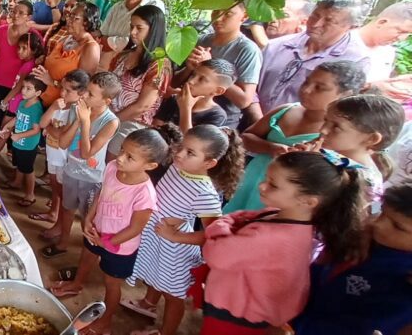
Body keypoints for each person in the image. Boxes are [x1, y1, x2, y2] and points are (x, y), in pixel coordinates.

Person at [199, 150, 366, 335]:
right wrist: (230, 225)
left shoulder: (273, 238)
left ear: (308, 201)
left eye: (273, 185)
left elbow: (215, 253)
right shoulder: (288, 220)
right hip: (244, 308)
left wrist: (220, 225)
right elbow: (244, 219)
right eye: (266, 179)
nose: (262, 186)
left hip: (236, 318)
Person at [124, 125, 245, 335]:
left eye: (190, 153)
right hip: (158, 238)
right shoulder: (178, 166)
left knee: (173, 296)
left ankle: (166, 332)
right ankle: (148, 303)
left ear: (209, 163)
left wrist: (176, 236)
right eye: (181, 146)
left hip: (175, 251)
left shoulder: (204, 193)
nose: (179, 153)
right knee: (155, 275)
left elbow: (214, 234)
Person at [50, 128, 168, 335]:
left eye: (130, 157)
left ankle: (105, 321)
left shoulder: (145, 193)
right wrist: (89, 217)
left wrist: (107, 242)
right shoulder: (113, 167)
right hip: (97, 230)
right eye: (122, 150)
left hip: (120, 246)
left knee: (111, 283)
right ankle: (76, 284)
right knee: (87, 255)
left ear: (150, 166)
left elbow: (136, 228)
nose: (120, 158)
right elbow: (102, 194)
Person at [224, 61, 366, 213]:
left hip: (287, 196)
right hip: (252, 180)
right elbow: (247, 137)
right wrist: (270, 148)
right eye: (307, 81)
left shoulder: (335, 134)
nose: (306, 89)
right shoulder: (286, 110)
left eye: (319, 88)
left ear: (346, 95)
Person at [292, 183, 412, 335]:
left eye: (398, 227)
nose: (378, 224)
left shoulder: (405, 283)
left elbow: (359, 328)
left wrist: (293, 327)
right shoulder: (364, 241)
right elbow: (315, 279)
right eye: (382, 212)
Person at [38, 72, 120, 257]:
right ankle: (63, 243)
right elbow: (63, 143)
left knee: (87, 218)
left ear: (106, 101)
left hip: (91, 178)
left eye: (91, 94)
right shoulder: (79, 109)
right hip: (70, 171)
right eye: (86, 91)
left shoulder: (111, 122)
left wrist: (84, 121)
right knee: (67, 209)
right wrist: (77, 120)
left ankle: (88, 253)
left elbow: (86, 153)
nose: (84, 96)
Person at [257, 0, 371, 113]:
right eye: (315, 16)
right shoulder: (277, 45)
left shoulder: (355, 60)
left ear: (351, 27)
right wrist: (256, 117)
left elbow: (341, 110)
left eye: (329, 21)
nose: (316, 24)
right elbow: (249, 85)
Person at [174, 3, 262, 129]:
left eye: (228, 14)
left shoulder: (247, 50)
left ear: (244, 17)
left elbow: (244, 101)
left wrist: (212, 68)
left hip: (219, 121)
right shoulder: (201, 40)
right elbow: (175, 83)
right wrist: (189, 68)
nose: (218, 18)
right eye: (215, 11)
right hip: (183, 109)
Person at [317, 94, 405, 213]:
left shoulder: (366, 180)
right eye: (326, 121)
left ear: (371, 139)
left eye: (336, 126)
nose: (323, 130)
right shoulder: (324, 152)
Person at [106, 5, 172, 158]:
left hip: (132, 123)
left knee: (112, 159)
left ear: (153, 30)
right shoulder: (123, 55)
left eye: (139, 28)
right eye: (131, 26)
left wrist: (112, 121)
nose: (132, 32)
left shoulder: (160, 64)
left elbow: (143, 106)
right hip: (110, 114)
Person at [30, 71, 92, 225]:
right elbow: (43, 123)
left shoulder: (78, 111)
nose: (62, 92)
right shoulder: (59, 104)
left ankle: (61, 222)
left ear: (82, 93)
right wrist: (52, 110)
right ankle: (54, 213)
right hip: (53, 154)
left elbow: (60, 134)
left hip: (65, 159)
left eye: (68, 90)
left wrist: (50, 128)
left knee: (62, 190)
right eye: (62, 88)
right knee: (54, 184)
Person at [0, 34, 45, 166]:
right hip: (17, 105)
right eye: (19, 47)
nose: (19, 51)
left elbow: (19, 86)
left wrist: (5, 101)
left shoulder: (29, 66)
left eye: (24, 48)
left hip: (16, 106)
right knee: (4, 131)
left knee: (3, 132)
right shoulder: (28, 63)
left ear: (34, 50)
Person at [0, 0, 41, 145]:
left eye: (21, 13)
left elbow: (40, 53)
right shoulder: (1, 30)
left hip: (20, 87)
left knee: (15, 117)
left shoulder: (32, 35)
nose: (16, 15)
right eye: (14, 11)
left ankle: (12, 148)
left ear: (29, 17)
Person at [33, 1, 101, 108]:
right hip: (41, 99)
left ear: (87, 22)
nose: (69, 20)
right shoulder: (66, 38)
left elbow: (82, 87)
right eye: (69, 16)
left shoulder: (90, 48)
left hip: (60, 108)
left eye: (75, 18)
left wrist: (52, 82)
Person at [98, 0, 166, 71]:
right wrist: (113, 42)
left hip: (132, 68)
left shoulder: (154, 6)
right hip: (104, 65)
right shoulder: (117, 7)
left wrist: (110, 42)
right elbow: (101, 36)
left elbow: (136, 42)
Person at [0, 75, 47, 206]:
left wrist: (19, 136)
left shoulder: (36, 109)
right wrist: (7, 126)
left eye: (28, 88)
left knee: (28, 169)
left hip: (28, 145)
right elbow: (17, 118)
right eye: (23, 87)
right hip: (18, 142)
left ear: (38, 93)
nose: (23, 91)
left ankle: (30, 195)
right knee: (19, 163)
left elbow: (37, 130)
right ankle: (17, 182)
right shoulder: (22, 103)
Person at [153, 59, 235, 132]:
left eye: (201, 79)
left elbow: (189, 143)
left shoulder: (216, 115)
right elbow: (156, 129)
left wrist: (185, 108)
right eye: (193, 75)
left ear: (218, 91)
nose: (191, 81)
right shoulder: (174, 99)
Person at [358, 2, 412, 82]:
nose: (402, 38)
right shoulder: (342, 43)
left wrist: (394, 82)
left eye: (409, 34)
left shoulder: (388, 52)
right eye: (401, 31)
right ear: (382, 22)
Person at [243, 0, 314, 48]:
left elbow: (267, 48)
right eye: (274, 11)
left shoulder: (302, 47)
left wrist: (255, 25)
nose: (273, 18)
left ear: (303, 23)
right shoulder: (258, 23)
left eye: (283, 14)